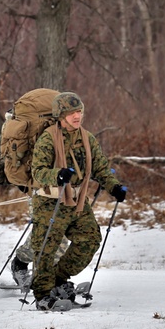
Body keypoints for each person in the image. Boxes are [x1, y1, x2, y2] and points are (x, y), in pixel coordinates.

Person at [28, 92, 126, 310]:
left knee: (90, 239)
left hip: (77, 201)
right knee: (45, 249)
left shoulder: (87, 138)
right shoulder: (48, 138)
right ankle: (43, 294)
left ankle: (58, 279)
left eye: (79, 111)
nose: (77, 116)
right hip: (50, 202)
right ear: (61, 115)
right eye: (72, 112)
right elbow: (38, 172)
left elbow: (100, 168)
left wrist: (114, 187)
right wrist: (57, 174)